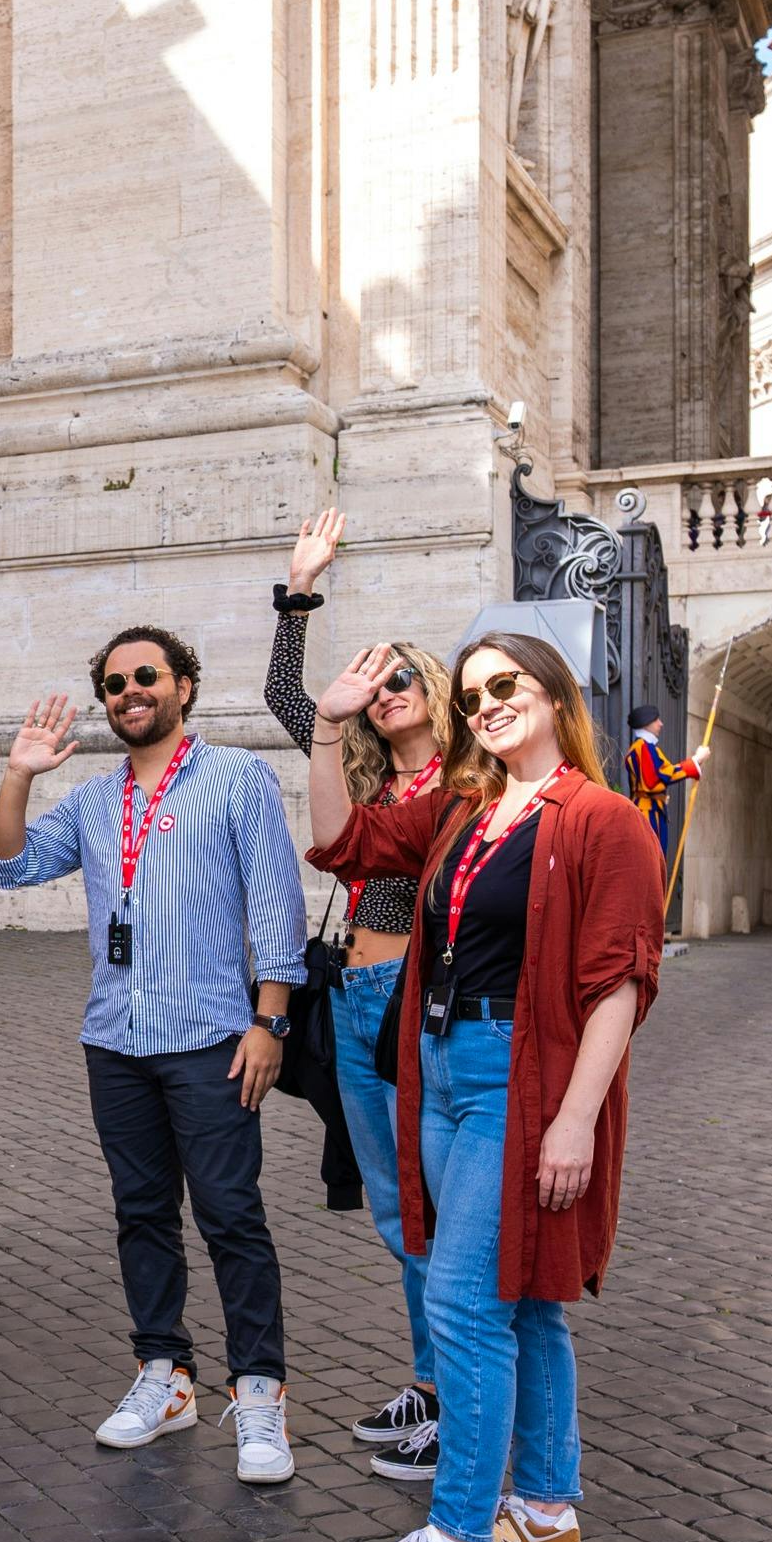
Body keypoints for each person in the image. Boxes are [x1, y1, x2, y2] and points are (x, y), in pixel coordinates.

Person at [307, 632, 665, 1542]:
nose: (487, 706)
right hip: (438, 1063)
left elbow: (620, 982)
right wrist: (328, 724)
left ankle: (458, 1538)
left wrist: (572, 1120)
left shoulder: (603, 819)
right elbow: (344, 846)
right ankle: (545, 1509)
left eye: (505, 686)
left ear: (555, 695)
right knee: (527, 1300)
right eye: (472, 696)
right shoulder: (466, 810)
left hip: (522, 1075)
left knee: (463, 1304)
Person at [0, 625, 308, 1485]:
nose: (131, 691)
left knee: (232, 1217)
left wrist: (269, 1024)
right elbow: (7, 870)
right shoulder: (93, 803)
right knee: (141, 1215)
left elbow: (278, 908)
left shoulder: (239, 778)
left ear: (184, 687)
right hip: (115, 1042)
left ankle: (261, 1390)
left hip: (213, 1041)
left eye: (147, 677)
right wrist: (18, 770)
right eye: (116, 683)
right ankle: (163, 1377)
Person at [264, 509, 458, 1481]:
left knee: (423, 1203)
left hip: (410, 1000)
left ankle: (453, 1397)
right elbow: (285, 698)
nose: (383, 694)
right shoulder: (366, 775)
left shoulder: (465, 783)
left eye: (399, 679)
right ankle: (429, 1381)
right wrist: (301, 589)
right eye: (374, 685)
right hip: (346, 992)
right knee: (390, 1206)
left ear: (435, 690)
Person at [623, 704, 709, 862]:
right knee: (652, 859)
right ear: (647, 723)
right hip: (646, 812)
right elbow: (656, 778)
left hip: (654, 809)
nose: (660, 724)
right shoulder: (642, 748)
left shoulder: (647, 748)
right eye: (657, 720)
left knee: (657, 858)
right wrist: (695, 761)